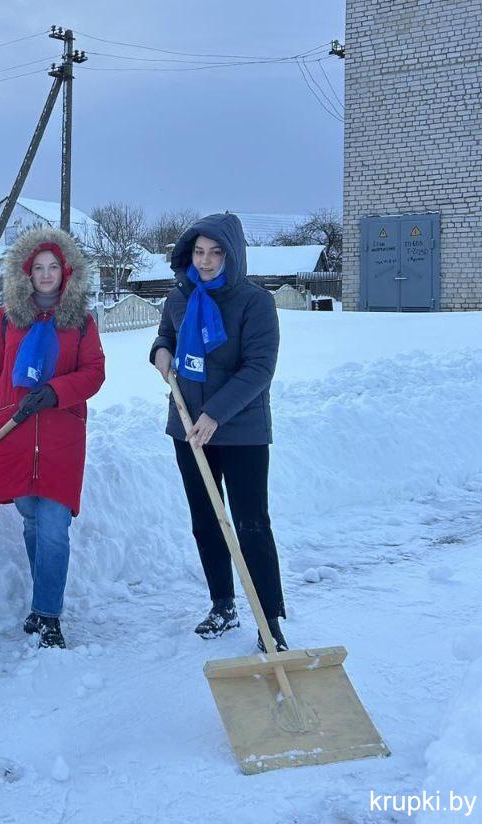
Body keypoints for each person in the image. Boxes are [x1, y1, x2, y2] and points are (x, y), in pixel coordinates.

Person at [149, 213, 289, 652]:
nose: (205, 261)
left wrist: (215, 413)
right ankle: (223, 604)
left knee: (251, 524)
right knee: (207, 521)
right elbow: (166, 335)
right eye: (199, 252)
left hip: (242, 430)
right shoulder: (180, 297)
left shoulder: (255, 302)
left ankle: (269, 622)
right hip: (189, 428)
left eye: (215, 253)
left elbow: (259, 368)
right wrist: (161, 351)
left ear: (232, 255)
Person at [0, 226, 105, 649]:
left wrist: (56, 390)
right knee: (31, 521)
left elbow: (94, 373)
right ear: (25, 273)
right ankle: (41, 605)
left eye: (53, 267)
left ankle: (48, 614)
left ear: (67, 272)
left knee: (54, 527)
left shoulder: (81, 322)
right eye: (38, 267)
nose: (46, 275)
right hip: (14, 435)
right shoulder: (7, 319)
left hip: (62, 439)